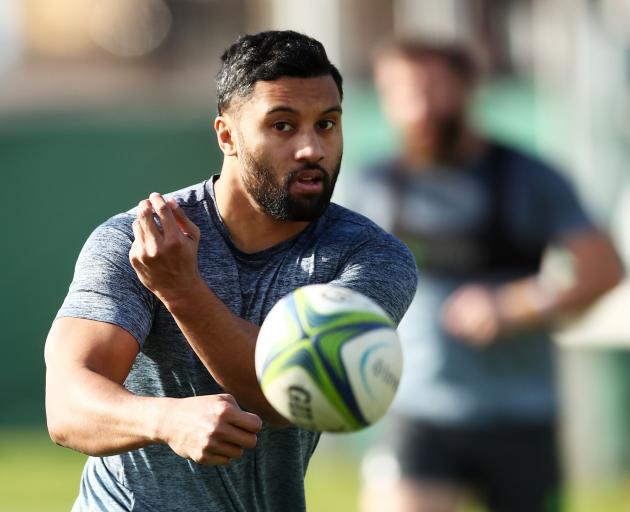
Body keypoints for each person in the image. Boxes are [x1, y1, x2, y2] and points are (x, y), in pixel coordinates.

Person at [44, 30, 417, 512]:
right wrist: (166, 420)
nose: (312, 149)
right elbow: (67, 408)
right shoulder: (140, 240)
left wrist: (181, 290)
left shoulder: (371, 257)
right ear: (227, 136)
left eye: (326, 124)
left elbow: (278, 396)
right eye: (283, 126)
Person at [355, 40, 624, 512]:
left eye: (431, 88)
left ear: (467, 89)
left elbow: (604, 269)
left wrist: (515, 306)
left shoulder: (530, 178)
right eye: (399, 92)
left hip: (521, 415)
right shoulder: (373, 185)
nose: (417, 106)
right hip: (420, 413)